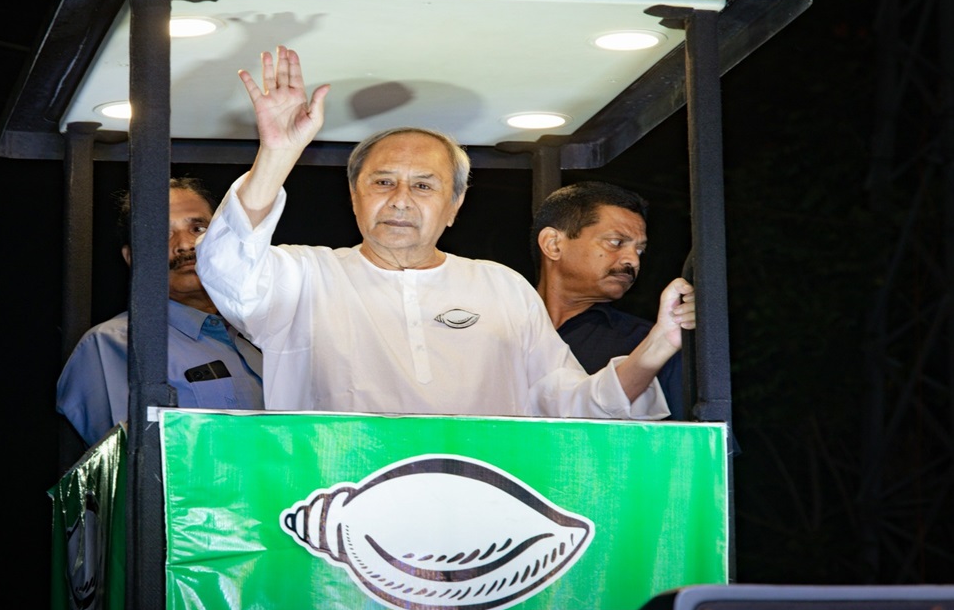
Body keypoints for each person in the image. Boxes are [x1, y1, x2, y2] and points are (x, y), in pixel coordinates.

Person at [193, 45, 694, 419]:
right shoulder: (304, 276)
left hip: (480, 512)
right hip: (339, 509)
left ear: (454, 205)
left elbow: (570, 404)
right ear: (354, 197)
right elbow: (225, 267)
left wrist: (658, 344)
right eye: (382, 182)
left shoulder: (500, 286)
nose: (400, 200)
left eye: (424, 186)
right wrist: (277, 155)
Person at [56, 177, 264, 447]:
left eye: (198, 228)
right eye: (162, 233)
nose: (185, 245)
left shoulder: (260, 337)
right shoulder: (115, 344)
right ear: (132, 258)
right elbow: (133, 461)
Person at [531, 181, 694, 420]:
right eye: (616, 242)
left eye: (639, 250)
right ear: (553, 244)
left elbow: (697, 439)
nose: (633, 261)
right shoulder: (501, 327)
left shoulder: (649, 341)